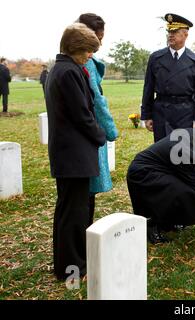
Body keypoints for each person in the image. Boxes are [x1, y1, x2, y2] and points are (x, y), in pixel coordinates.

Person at [45, 23, 105, 280]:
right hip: (74, 154)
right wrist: (100, 136)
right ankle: (74, 266)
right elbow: (82, 114)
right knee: (74, 214)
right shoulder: (68, 72)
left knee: (67, 210)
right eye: (87, 51)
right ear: (74, 48)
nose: (89, 56)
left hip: (68, 153)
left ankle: (66, 264)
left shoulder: (60, 69)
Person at [127, 125, 195, 244]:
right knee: (182, 191)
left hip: (160, 169)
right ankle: (152, 225)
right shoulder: (186, 152)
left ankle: (171, 221)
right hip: (143, 174)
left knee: (186, 190)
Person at [141, 13, 195, 142]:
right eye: (169, 31)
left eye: (175, 31)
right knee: (162, 153)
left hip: (185, 114)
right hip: (161, 113)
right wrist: (147, 115)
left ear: (186, 35)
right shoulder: (156, 58)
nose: (170, 35)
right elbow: (148, 88)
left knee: (181, 155)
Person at [77, 13, 119, 225]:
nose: (101, 43)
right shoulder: (88, 63)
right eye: (98, 38)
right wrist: (111, 131)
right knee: (86, 195)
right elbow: (97, 100)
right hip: (89, 131)